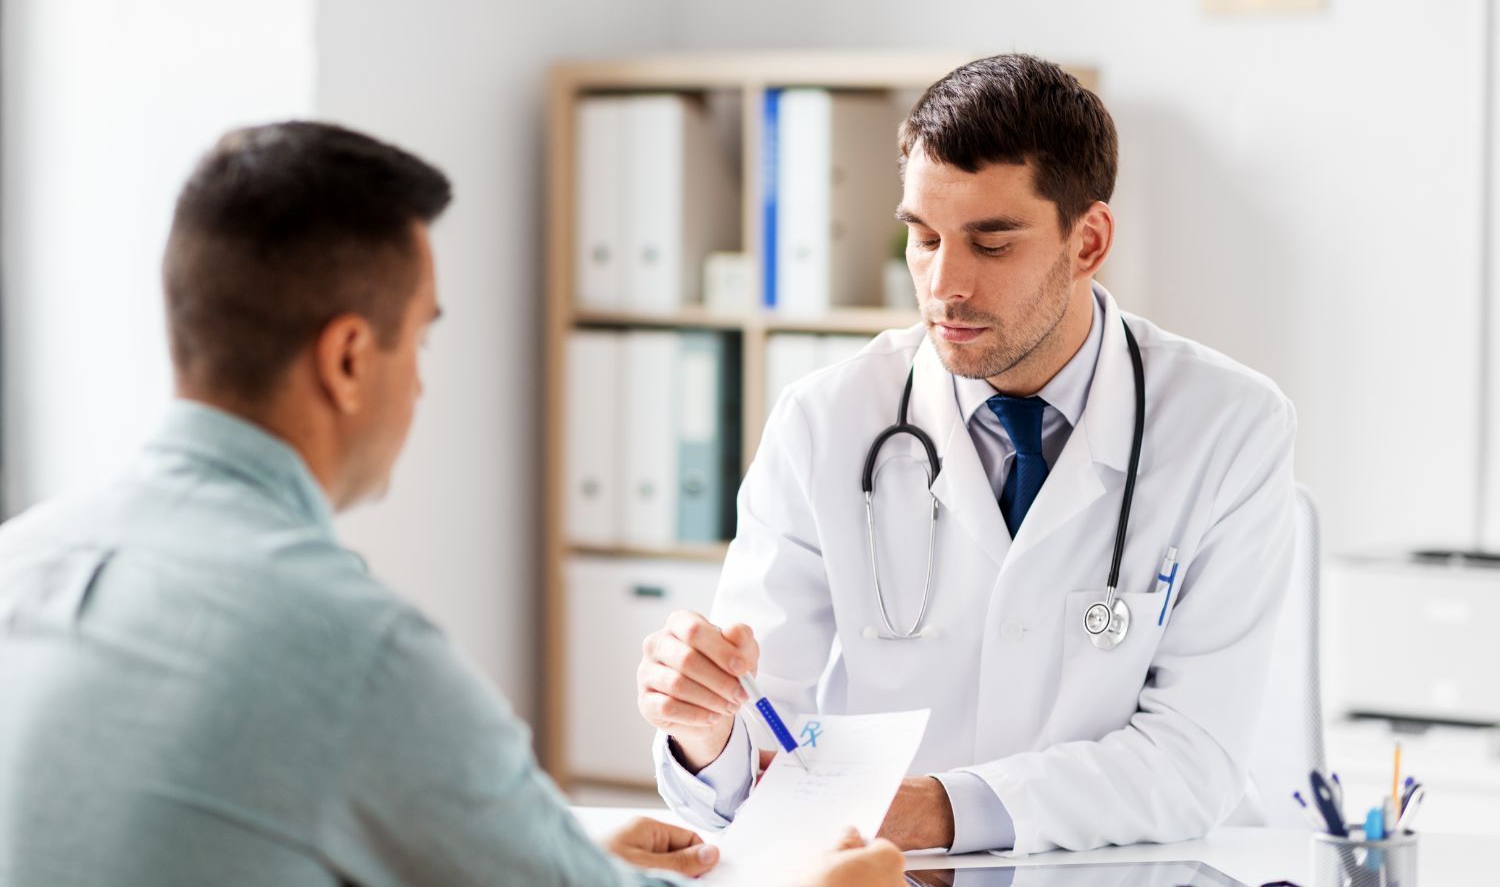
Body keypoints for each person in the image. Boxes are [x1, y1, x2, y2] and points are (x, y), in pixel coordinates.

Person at [0, 122, 903, 886]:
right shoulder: (353, 652)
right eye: (420, 341)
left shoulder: (22, 562)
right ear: (350, 358)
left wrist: (564, 846)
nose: (421, 388)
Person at [638, 53, 1299, 856]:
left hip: (1124, 871)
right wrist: (704, 732)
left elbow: (1194, 759)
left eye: (991, 245)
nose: (944, 284)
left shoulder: (1228, 426)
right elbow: (754, 737)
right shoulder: (827, 420)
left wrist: (939, 809)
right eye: (920, 237)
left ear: (1088, 240)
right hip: (890, 873)